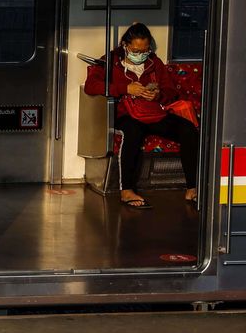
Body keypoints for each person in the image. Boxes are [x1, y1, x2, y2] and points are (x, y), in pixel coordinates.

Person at [84, 22, 198, 209]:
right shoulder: (110, 61)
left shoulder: (155, 63)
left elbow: (170, 90)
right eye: (136, 51)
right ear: (125, 46)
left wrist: (158, 94)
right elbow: (91, 85)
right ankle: (127, 191)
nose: (140, 55)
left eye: (144, 51)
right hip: (125, 113)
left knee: (188, 130)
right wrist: (125, 88)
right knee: (133, 131)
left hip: (152, 112)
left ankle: (192, 188)